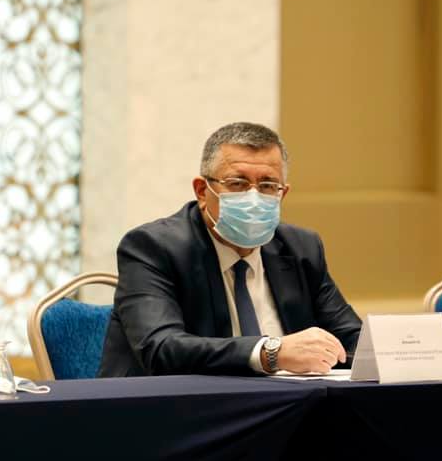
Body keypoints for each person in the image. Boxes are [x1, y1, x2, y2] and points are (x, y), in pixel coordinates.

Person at [98, 122, 362, 377]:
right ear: (202, 191)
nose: (253, 198)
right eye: (237, 183)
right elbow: (161, 349)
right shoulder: (153, 247)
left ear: (282, 194)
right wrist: (270, 353)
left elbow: (354, 340)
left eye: (268, 186)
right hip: (174, 403)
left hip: (285, 402)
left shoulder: (301, 248)